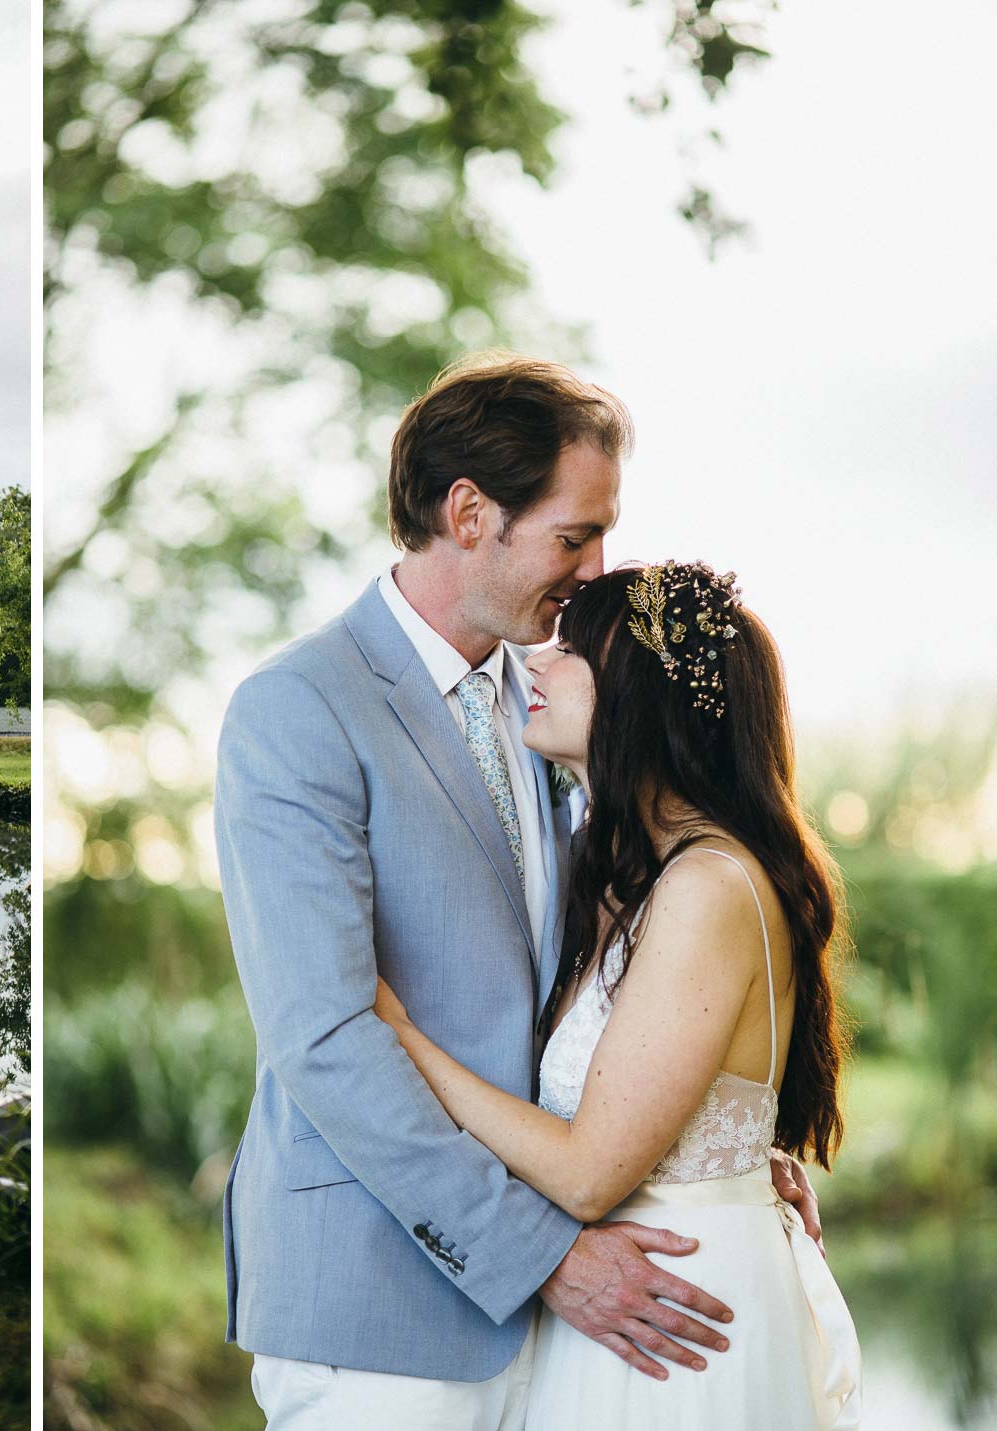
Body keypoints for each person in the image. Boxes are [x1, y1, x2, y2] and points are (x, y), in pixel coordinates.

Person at [213, 353, 821, 1430]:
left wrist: (711, 1148)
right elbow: (325, 1037)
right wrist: (541, 1256)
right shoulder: (300, 710)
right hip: (388, 1314)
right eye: (575, 535)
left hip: (583, 1321)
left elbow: (621, 983)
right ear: (468, 512)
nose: (595, 571)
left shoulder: (561, 713)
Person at [371, 560, 860, 1427]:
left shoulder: (709, 885)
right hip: (637, 1298)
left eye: (570, 652)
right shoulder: (628, 873)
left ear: (636, 694)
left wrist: (400, 1037)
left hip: (676, 1317)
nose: (537, 665)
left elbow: (591, 1174)